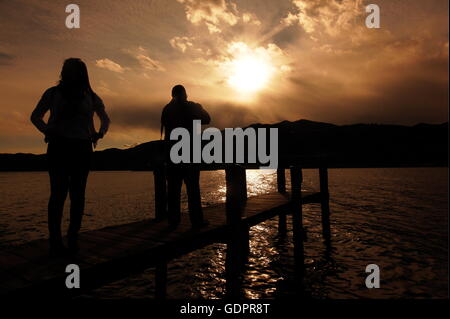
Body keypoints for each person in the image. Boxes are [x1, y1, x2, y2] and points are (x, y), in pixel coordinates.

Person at [31, 58, 110, 256]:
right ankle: (55, 240)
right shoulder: (53, 93)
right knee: (58, 194)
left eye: (76, 71)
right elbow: (35, 116)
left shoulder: (90, 96)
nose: (72, 74)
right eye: (69, 70)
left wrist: (100, 133)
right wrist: (48, 130)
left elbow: (105, 118)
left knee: (78, 194)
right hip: (59, 147)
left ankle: (73, 236)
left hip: (82, 148)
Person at [161, 85, 210, 228]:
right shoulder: (193, 107)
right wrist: (199, 108)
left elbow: (165, 126)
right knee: (193, 189)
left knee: (173, 190)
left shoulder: (166, 109)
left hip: (172, 154)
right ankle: (197, 221)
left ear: (172, 95)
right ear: (185, 94)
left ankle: (173, 221)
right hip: (190, 154)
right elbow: (207, 119)